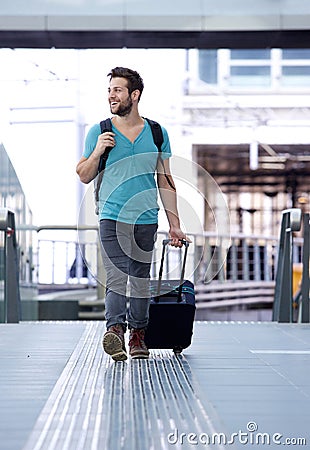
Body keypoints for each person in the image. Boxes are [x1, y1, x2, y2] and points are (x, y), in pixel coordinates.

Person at [76, 67, 189, 361]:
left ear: (134, 95)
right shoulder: (99, 131)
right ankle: (115, 330)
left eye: (117, 90)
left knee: (139, 279)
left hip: (146, 218)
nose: (111, 96)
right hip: (111, 216)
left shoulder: (156, 132)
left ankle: (138, 334)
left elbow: (165, 179)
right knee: (116, 277)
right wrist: (98, 151)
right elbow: (83, 175)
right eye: (110, 90)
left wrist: (175, 225)